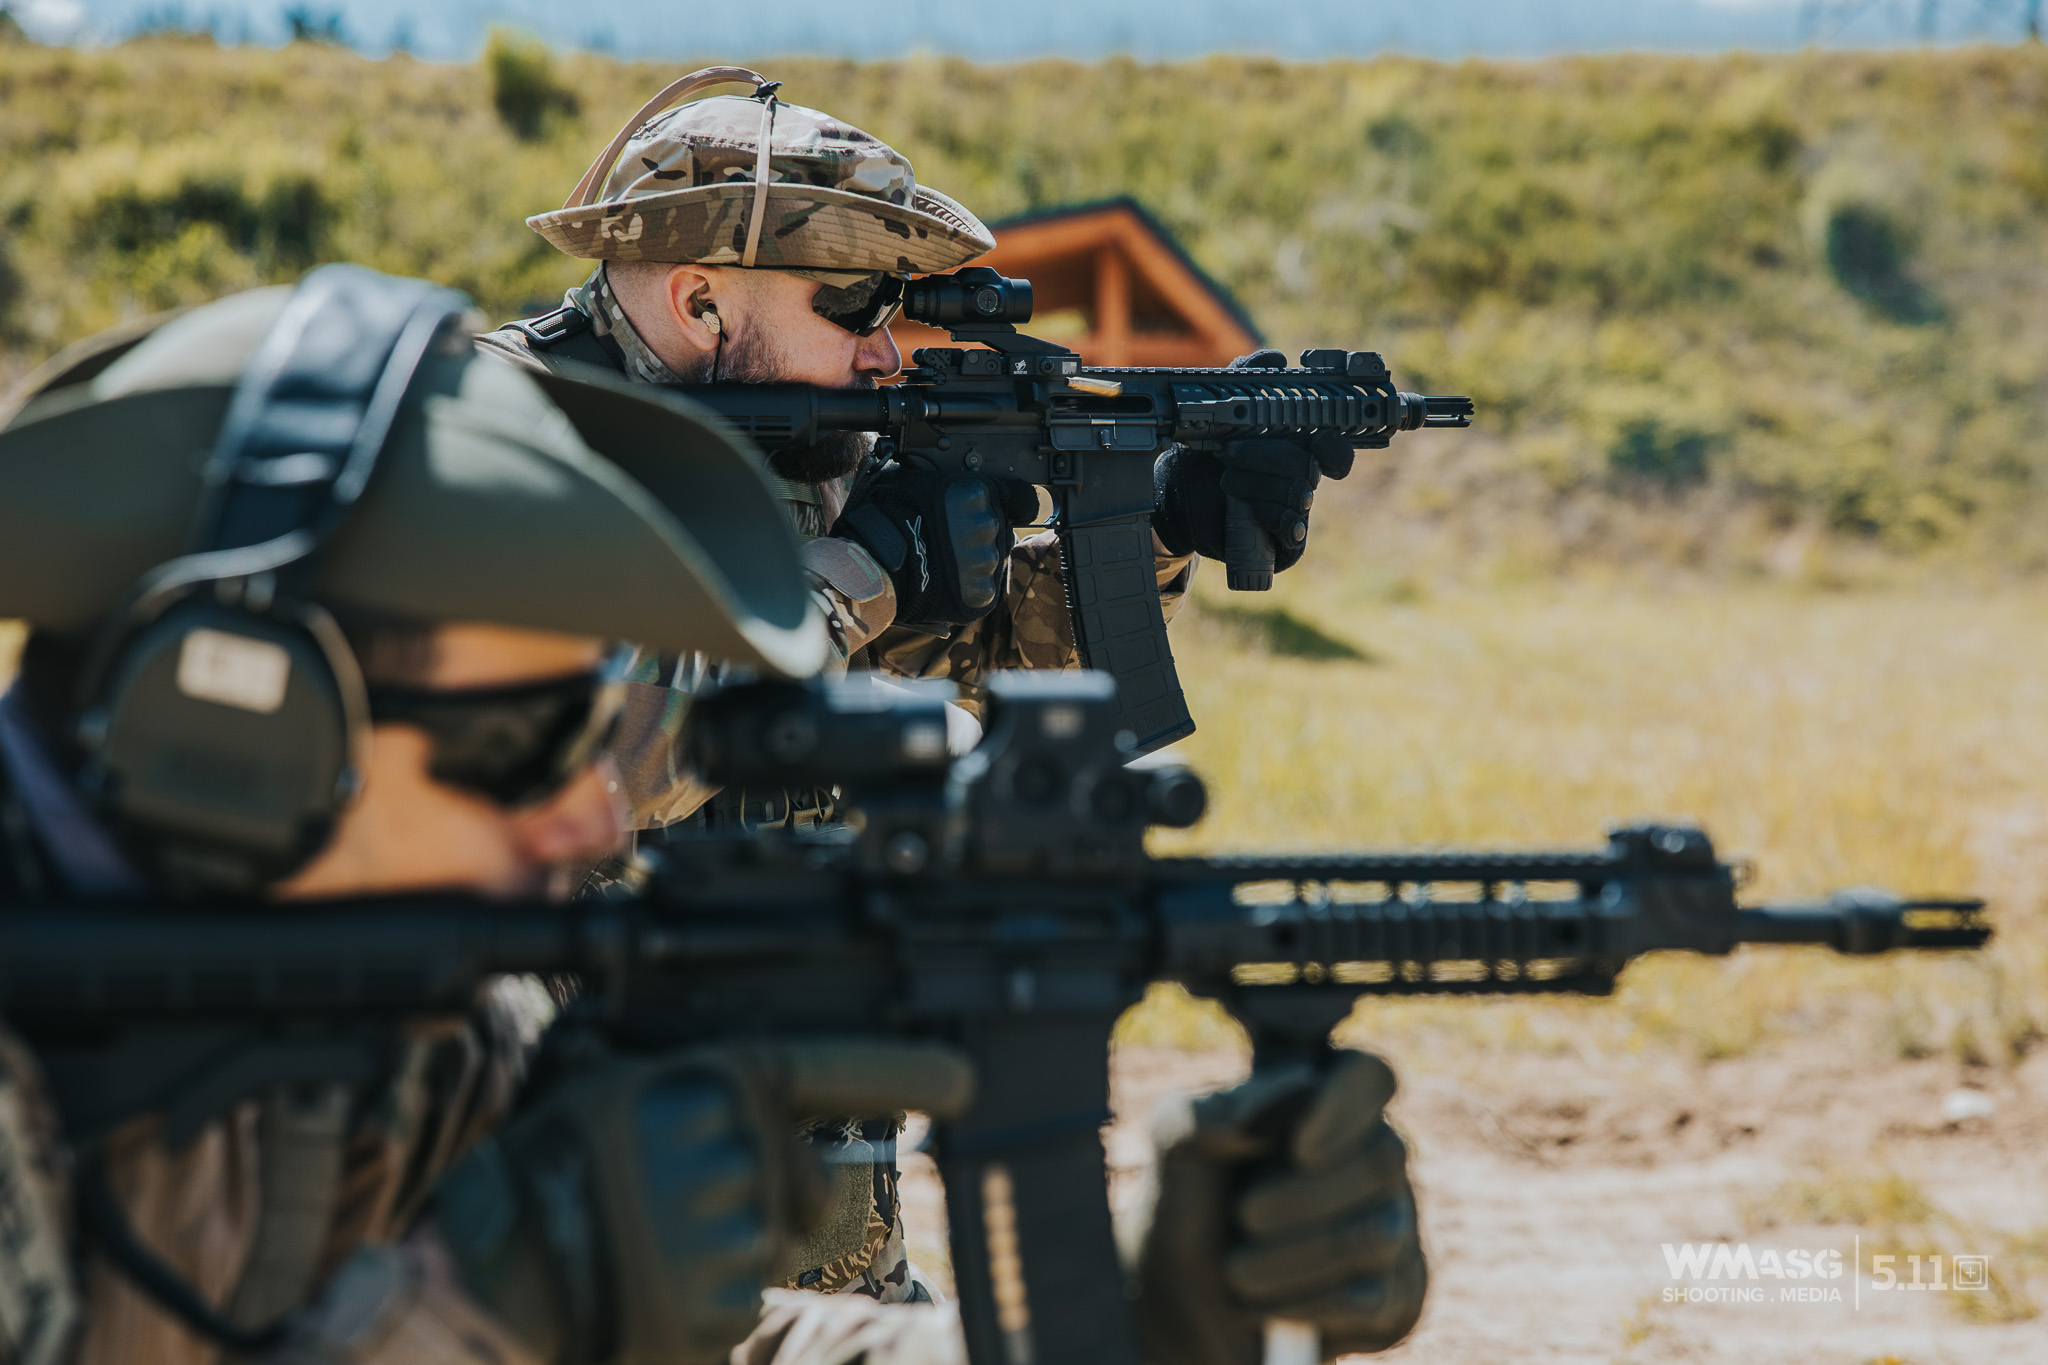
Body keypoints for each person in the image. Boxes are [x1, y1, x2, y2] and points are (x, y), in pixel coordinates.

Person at [0, 264, 955, 1365]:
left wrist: (1100, 1329)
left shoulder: (414, 1007)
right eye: (529, 744)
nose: (594, 816)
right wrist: (483, 1313)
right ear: (239, 732)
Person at [478, 66, 1354, 836]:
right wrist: (865, 564)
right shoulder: (496, 435)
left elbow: (960, 677)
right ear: (701, 304)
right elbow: (611, 763)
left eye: (893, 308)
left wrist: (1158, 522)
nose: (885, 351)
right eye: (856, 303)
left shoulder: (805, 440)